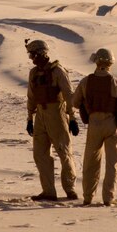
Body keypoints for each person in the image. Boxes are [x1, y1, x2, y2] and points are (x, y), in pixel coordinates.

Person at [73, 48, 117, 207]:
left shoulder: (86, 81)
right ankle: (108, 198)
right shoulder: (116, 82)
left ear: (97, 62)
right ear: (110, 63)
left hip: (94, 124)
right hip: (113, 125)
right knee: (113, 164)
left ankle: (87, 197)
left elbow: (74, 102)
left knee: (90, 162)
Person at [25, 38, 79, 201]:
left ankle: (70, 189)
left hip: (57, 112)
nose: (31, 58)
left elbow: (69, 95)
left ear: (41, 53)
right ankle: (48, 191)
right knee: (40, 153)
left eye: (33, 54)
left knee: (64, 151)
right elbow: (31, 96)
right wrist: (29, 118)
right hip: (41, 115)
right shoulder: (34, 73)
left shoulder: (58, 71)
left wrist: (72, 117)